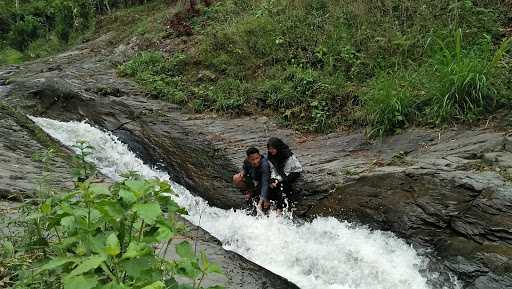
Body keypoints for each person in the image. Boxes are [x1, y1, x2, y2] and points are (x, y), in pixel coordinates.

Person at [267, 137, 303, 207]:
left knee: (282, 186)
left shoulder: (287, 155)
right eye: (269, 149)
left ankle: (281, 208)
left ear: (277, 147)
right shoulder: (270, 155)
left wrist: (277, 180)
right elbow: (273, 169)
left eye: (272, 148)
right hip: (281, 173)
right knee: (271, 187)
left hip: (292, 172)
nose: (270, 150)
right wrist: (273, 179)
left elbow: (286, 172)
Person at [233, 147, 271, 211]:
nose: (255, 161)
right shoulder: (246, 161)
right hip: (254, 180)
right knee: (236, 178)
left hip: (266, 182)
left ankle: (264, 198)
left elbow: (265, 183)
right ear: (248, 159)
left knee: (263, 198)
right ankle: (248, 192)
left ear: (259, 156)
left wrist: (262, 199)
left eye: (257, 158)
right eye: (252, 159)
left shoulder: (264, 164)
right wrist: (243, 173)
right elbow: (245, 169)